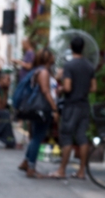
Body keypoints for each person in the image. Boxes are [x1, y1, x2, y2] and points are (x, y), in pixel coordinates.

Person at [51, 34, 96, 179]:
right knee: (82, 137)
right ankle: (82, 171)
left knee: (67, 136)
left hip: (71, 105)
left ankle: (62, 170)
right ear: (83, 48)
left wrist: (61, 89)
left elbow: (68, 87)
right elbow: (93, 88)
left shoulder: (69, 65)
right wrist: (82, 89)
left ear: (71, 47)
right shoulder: (89, 66)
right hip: (84, 105)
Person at [20, 48, 58, 178]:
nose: (54, 57)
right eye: (52, 55)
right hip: (43, 108)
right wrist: (54, 109)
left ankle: (26, 162)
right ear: (48, 58)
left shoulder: (41, 71)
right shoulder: (43, 72)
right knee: (38, 137)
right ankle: (31, 167)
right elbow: (46, 91)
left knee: (36, 136)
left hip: (38, 107)